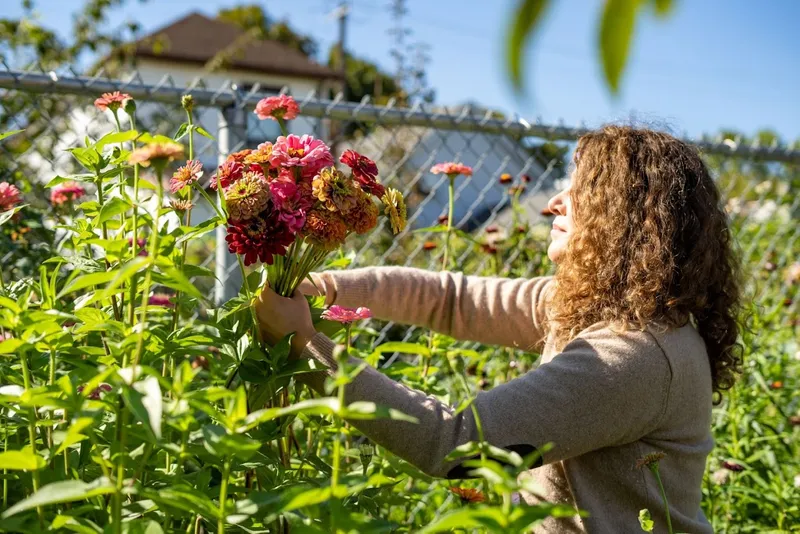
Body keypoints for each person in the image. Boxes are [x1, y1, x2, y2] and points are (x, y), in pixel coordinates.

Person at [255, 126, 743, 533]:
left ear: (631, 217)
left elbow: (455, 445)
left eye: (583, 190)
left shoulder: (634, 354)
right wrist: (326, 288)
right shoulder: (602, 307)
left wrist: (304, 346)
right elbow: (452, 299)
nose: (555, 201)